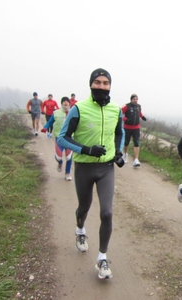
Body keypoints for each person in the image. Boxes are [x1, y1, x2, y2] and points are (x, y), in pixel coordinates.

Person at [57, 68, 125, 279]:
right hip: (84, 167)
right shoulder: (79, 109)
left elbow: (119, 133)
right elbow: (62, 138)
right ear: (91, 84)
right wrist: (86, 149)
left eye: (106, 83)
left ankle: (102, 258)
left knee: (107, 212)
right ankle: (80, 230)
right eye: (98, 82)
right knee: (84, 207)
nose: (102, 86)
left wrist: (118, 152)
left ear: (110, 86)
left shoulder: (116, 109)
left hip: (106, 168)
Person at [41, 97, 73, 180]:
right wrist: (45, 127)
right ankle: (60, 163)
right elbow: (50, 122)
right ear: (61, 103)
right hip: (59, 138)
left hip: (69, 138)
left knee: (69, 157)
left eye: (67, 101)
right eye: (64, 101)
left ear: (69, 103)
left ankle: (67, 173)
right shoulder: (56, 113)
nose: (66, 103)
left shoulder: (73, 113)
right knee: (59, 157)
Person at [121, 93, 147, 167]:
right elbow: (120, 114)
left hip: (136, 127)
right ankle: (125, 154)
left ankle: (136, 159)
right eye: (134, 99)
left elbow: (139, 113)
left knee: (136, 142)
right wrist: (125, 119)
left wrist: (143, 117)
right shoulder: (126, 106)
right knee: (126, 142)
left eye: (136, 99)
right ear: (131, 99)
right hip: (127, 127)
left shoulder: (138, 106)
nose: (135, 101)